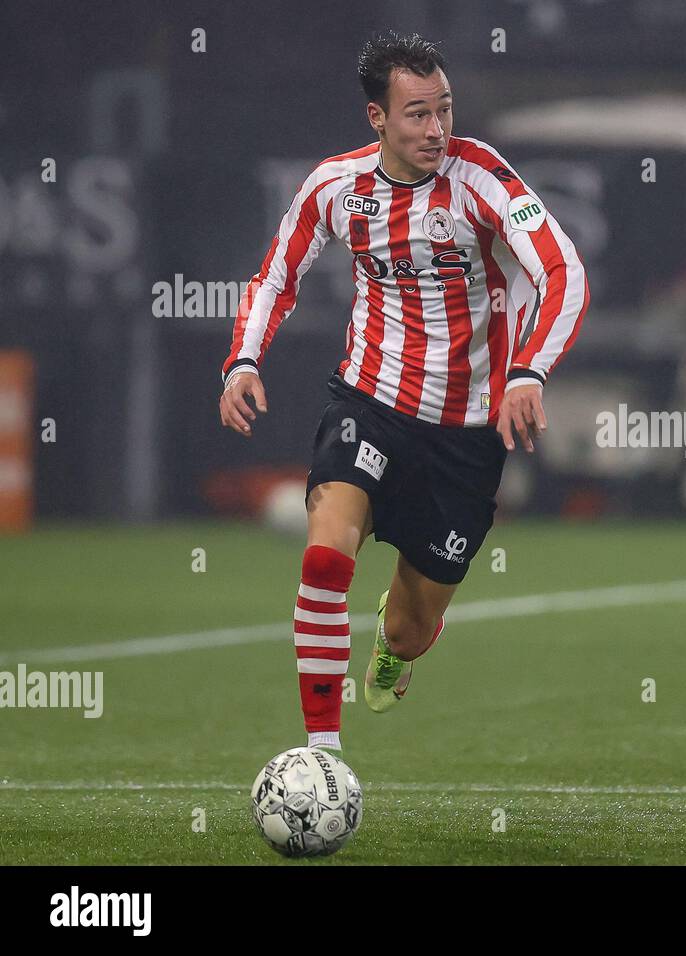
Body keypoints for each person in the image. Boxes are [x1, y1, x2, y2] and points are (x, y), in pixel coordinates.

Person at [217, 32, 589, 752]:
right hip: (369, 403)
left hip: (465, 436)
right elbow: (275, 276)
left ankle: (397, 646)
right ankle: (320, 757)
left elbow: (564, 272)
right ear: (376, 119)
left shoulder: (482, 177)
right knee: (325, 558)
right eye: (417, 114)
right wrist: (243, 360)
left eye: (444, 110)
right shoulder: (335, 186)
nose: (436, 129)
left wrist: (527, 371)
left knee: (408, 629)